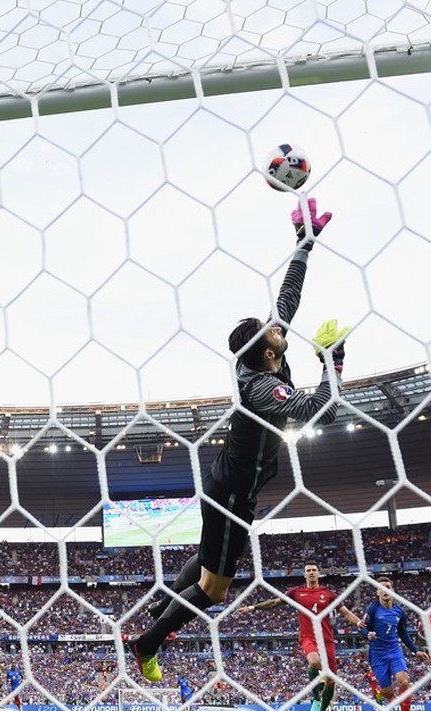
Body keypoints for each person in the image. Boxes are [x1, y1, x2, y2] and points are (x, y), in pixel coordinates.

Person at [130, 197, 344, 683]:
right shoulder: (264, 387)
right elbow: (322, 412)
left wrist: (304, 244)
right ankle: (147, 644)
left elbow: (289, 298)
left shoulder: (264, 360)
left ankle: (163, 603)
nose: (277, 325)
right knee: (214, 589)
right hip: (233, 493)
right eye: (271, 330)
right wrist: (334, 360)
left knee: (206, 562)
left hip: (225, 480)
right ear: (268, 351)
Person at [237, 563, 364, 711]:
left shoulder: (328, 594)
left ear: (318, 574)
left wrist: (358, 622)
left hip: (326, 640)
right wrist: (253, 607)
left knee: (331, 681)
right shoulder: (297, 592)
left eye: (314, 570)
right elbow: (276, 602)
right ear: (304, 575)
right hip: (308, 637)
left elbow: (345, 612)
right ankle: (316, 698)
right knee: (313, 661)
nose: (311, 573)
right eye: (308, 571)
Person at [365, 577, 429, 711]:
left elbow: (403, 633)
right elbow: (363, 627)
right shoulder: (372, 609)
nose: (386, 589)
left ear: (392, 590)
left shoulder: (399, 611)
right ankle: (380, 692)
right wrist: (368, 634)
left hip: (394, 650)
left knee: (404, 680)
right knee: (388, 692)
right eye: (382, 587)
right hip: (377, 654)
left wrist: (415, 650)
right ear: (378, 592)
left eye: (388, 586)